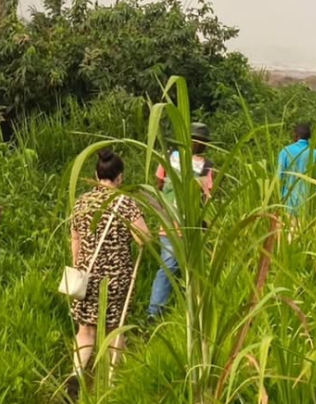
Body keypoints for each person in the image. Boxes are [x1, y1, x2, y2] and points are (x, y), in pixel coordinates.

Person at [70, 149, 149, 383]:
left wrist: (78, 264)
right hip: (116, 278)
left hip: (86, 275)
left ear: (96, 175)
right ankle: (113, 380)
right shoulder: (126, 204)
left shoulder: (83, 202)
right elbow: (143, 238)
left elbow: (75, 237)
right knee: (115, 327)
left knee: (85, 330)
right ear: (120, 177)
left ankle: (75, 376)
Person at [146, 121, 214, 321]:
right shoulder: (207, 167)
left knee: (167, 269)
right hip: (191, 226)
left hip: (167, 223)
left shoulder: (169, 158)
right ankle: (181, 310)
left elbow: (157, 185)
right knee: (191, 270)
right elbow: (207, 198)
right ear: (205, 144)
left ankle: (155, 312)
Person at [278, 122, 316, 237]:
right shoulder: (315, 154)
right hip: (308, 203)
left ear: (295, 136)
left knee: (288, 236)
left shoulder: (285, 151)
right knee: (304, 236)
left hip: (288, 203)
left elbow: (278, 177)